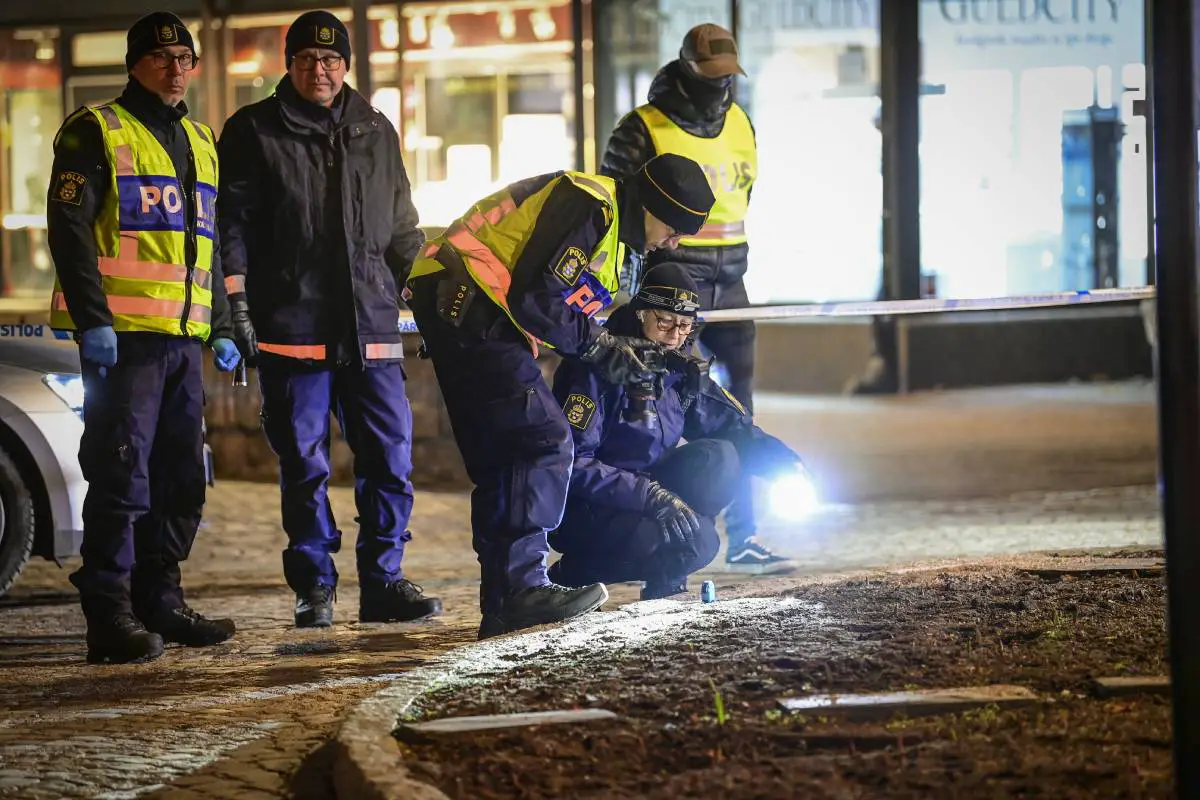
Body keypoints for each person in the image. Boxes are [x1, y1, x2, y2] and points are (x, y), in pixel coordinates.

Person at [405, 153, 716, 639]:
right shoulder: (590, 204)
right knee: (543, 439)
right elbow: (537, 296)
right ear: (654, 206)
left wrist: (609, 346)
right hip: (470, 298)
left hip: (462, 301)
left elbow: (553, 304)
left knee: (503, 460)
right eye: (675, 229)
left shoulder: (613, 239)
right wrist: (599, 347)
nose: (673, 242)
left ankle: (504, 602)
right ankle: (523, 587)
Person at [216, 10, 441, 628]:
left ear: (346, 65)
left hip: (370, 325)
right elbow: (228, 227)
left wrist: (422, 294)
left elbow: (402, 229)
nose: (321, 70)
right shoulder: (253, 131)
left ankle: (383, 580)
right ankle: (315, 586)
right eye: (308, 60)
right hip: (293, 325)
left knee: (390, 459)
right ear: (289, 64)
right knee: (305, 466)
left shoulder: (375, 128)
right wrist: (235, 305)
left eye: (332, 60)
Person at [47, 12, 241, 664]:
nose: (176, 67)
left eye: (184, 57)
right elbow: (69, 229)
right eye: (161, 57)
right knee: (121, 476)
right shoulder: (95, 130)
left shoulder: (199, 139)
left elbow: (205, 244)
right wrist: (93, 317)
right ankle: (109, 615)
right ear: (135, 64)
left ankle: (162, 599)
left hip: (182, 341)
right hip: (124, 341)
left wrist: (218, 325)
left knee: (182, 479)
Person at [600, 23, 790, 573]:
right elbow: (622, 206)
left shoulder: (740, 121)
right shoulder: (642, 127)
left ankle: (747, 536)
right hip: (671, 284)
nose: (720, 86)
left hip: (732, 282)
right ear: (686, 70)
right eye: (711, 76)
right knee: (661, 405)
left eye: (728, 76)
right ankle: (661, 528)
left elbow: (744, 195)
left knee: (740, 408)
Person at [546, 264, 810, 598]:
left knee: (719, 459)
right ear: (641, 314)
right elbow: (572, 464)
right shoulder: (598, 365)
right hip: (586, 507)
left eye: (684, 325)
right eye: (665, 322)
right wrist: (649, 495)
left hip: (647, 493)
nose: (674, 335)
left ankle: (665, 579)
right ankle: (575, 573)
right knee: (677, 542)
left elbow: (732, 427)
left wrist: (785, 463)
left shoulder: (678, 366)